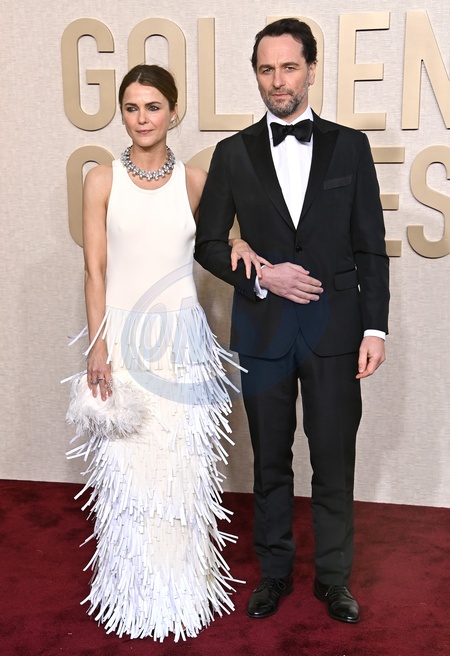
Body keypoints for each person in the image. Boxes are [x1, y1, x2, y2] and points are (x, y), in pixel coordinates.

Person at [195, 18, 390, 624]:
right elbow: (208, 244)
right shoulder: (232, 153)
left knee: (333, 459)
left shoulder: (350, 147)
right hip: (264, 330)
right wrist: (261, 274)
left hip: (337, 333)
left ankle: (334, 579)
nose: (277, 80)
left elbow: (370, 246)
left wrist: (375, 329)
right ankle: (274, 574)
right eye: (266, 69)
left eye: (288, 67)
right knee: (270, 462)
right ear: (256, 75)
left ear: (310, 70)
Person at [64, 64, 252, 642]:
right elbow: (95, 270)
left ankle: (185, 589)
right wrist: (97, 346)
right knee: (130, 473)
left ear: (173, 111)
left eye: (152, 107)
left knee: (181, 470)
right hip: (122, 340)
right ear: (122, 113)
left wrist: (241, 241)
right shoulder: (101, 179)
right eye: (131, 107)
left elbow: (221, 241)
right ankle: (133, 592)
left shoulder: (195, 181)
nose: (142, 118)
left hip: (183, 342)